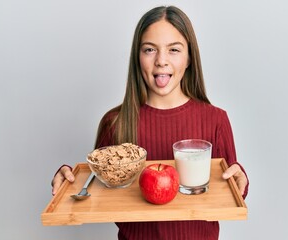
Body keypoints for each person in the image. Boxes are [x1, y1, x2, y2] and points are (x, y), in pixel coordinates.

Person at [51, 5, 249, 240]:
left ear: (189, 59)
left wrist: (242, 180)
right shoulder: (114, 123)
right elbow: (95, 184)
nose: (161, 61)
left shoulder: (215, 120)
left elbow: (229, 187)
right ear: (138, 57)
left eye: (174, 50)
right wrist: (67, 179)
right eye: (149, 50)